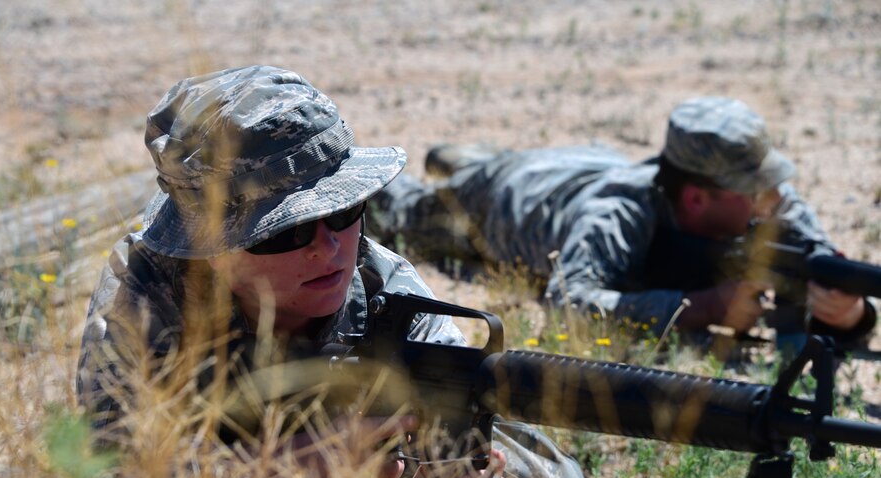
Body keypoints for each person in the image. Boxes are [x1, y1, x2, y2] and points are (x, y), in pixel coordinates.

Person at [75, 66, 664, 478]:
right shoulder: (142, 306)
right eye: (287, 231)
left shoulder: (387, 290)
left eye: (345, 210)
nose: (331, 248)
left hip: (377, 468)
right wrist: (274, 476)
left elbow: (455, 474)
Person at [371, 97, 876, 353]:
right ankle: (464, 171)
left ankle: (465, 158)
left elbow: (825, 267)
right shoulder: (618, 213)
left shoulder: (765, 201)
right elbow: (569, 304)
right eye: (756, 189)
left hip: (587, 162)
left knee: (486, 163)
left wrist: (848, 313)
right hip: (511, 200)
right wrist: (703, 307)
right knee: (405, 214)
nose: (775, 199)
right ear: (698, 198)